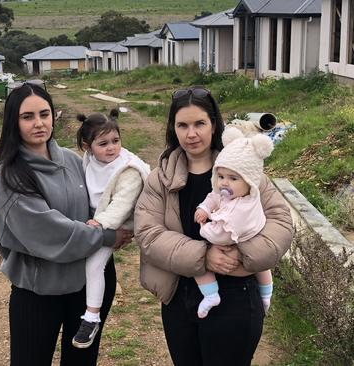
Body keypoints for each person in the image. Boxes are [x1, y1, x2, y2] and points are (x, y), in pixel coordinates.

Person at [134, 86, 293, 366]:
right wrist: (203, 256)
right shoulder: (160, 178)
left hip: (237, 296)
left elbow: (281, 223)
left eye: (199, 123)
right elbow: (148, 234)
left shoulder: (242, 167)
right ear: (173, 128)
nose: (191, 133)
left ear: (214, 124)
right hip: (179, 296)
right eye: (182, 125)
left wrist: (242, 256)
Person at [0, 83, 132, 365]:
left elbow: (100, 202)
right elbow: (48, 230)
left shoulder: (72, 160)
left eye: (45, 114)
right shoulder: (9, 174)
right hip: (38, 291)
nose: (39, 123)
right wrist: (106, 237)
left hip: (85, 286)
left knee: (82, 360)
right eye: (27, 117)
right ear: (13, 122)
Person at [71, 109, 150, 348]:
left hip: (119, 220)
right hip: (98, 216)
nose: (111, 148)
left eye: (115, 141)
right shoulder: (90, 160)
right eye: (103, 143)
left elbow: (122, 204)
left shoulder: (127, 170)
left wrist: (100, 224)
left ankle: (91, 317)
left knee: (94, 264)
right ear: (87, 147)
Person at [193, 127, 275, 318]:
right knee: (194, 261)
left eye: (233, 178)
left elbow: (220, 235)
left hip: (235, 240)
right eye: (220, 176)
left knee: (199, 265)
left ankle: (212, 294)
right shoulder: (229, 193)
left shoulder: (243, 206)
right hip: (237, 241)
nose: (224, 183)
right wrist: (204, 209)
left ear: (250, 182)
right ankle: (265, 294)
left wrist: (204, 229)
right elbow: (212, 197)